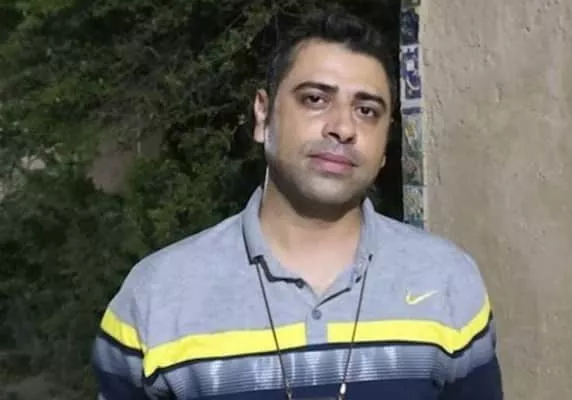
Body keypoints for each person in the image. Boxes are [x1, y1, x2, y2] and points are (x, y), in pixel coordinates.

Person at [91, 9, 504, 400]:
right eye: (315, 99)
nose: (343, 128)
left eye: (366, 110)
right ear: (262, 115)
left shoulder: (447, 280)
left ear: (385, 143)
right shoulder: (158, 294)